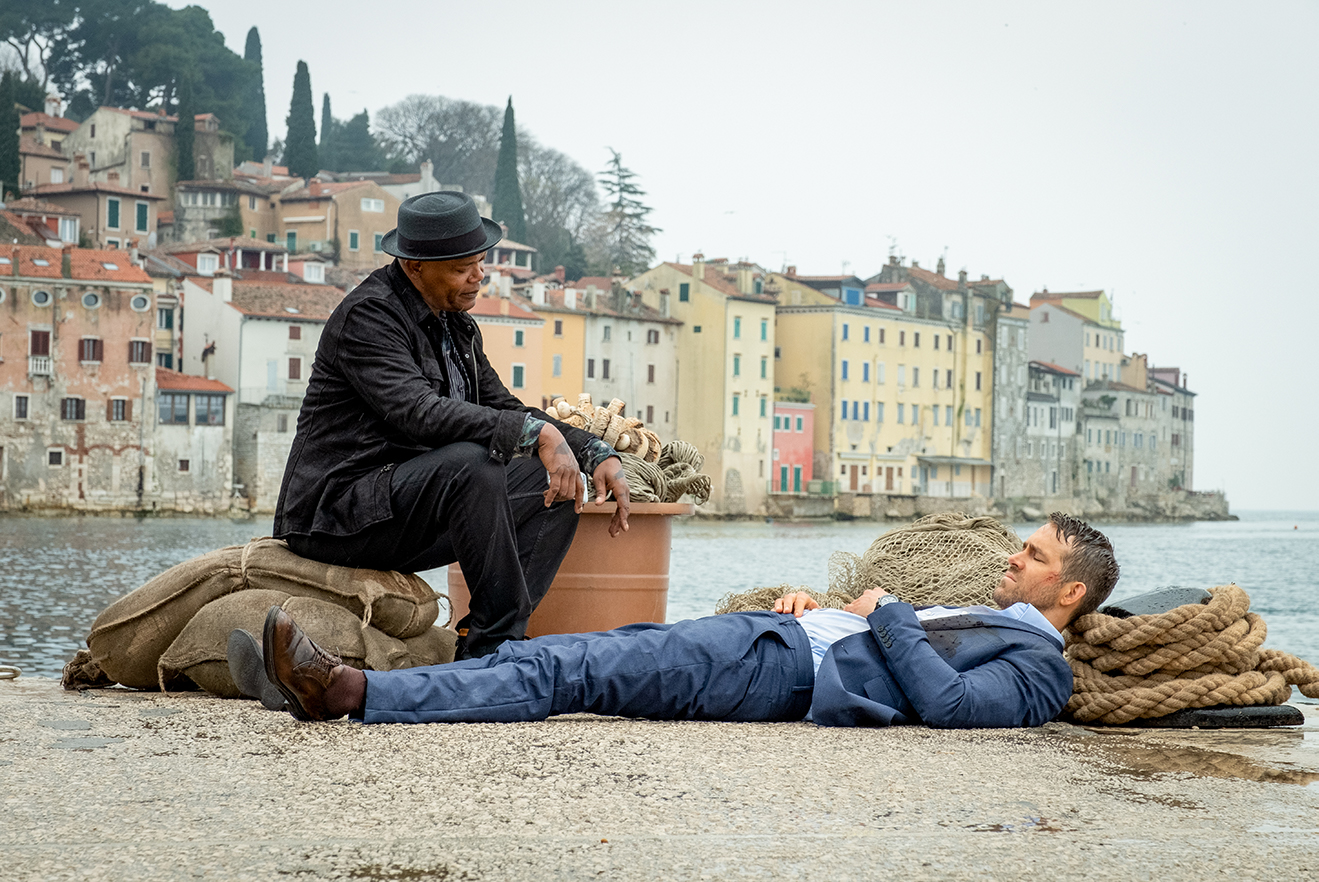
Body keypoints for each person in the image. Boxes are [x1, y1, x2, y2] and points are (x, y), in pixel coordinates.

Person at [262, 513, 1119, 728]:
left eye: (1036, 557)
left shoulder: (1039, 667)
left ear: (1069, 595)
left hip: (776, 673)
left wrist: (886, 612)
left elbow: (954, 711)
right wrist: (819, 610)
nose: (1014, 557)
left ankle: (351, 693)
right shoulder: (997, 616)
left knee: (565, 673)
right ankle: (363, 687)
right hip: (780, 640)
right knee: (558, 654)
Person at [273, 192, 630, 659]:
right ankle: (497, 646)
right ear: (415, 266)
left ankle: (487, 647)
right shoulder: (369, 315)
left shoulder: (456, 326)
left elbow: (504, 406)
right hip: (337, 515)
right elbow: (418, 413)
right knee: (472, 464)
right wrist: (540, 435)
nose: (479, 276)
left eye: (481, 263)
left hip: (407, 505)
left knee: (557, 481)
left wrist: (593, 452)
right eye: (464, 267)